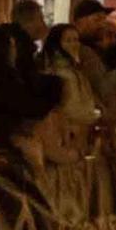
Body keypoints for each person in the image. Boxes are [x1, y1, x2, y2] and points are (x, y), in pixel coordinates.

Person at [39, 24, 101, 153]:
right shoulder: (54, 73)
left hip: (83, 130)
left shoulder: (76, 70)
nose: (74, 44)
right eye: (68, 40)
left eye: (76, 40)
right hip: (67, 133)